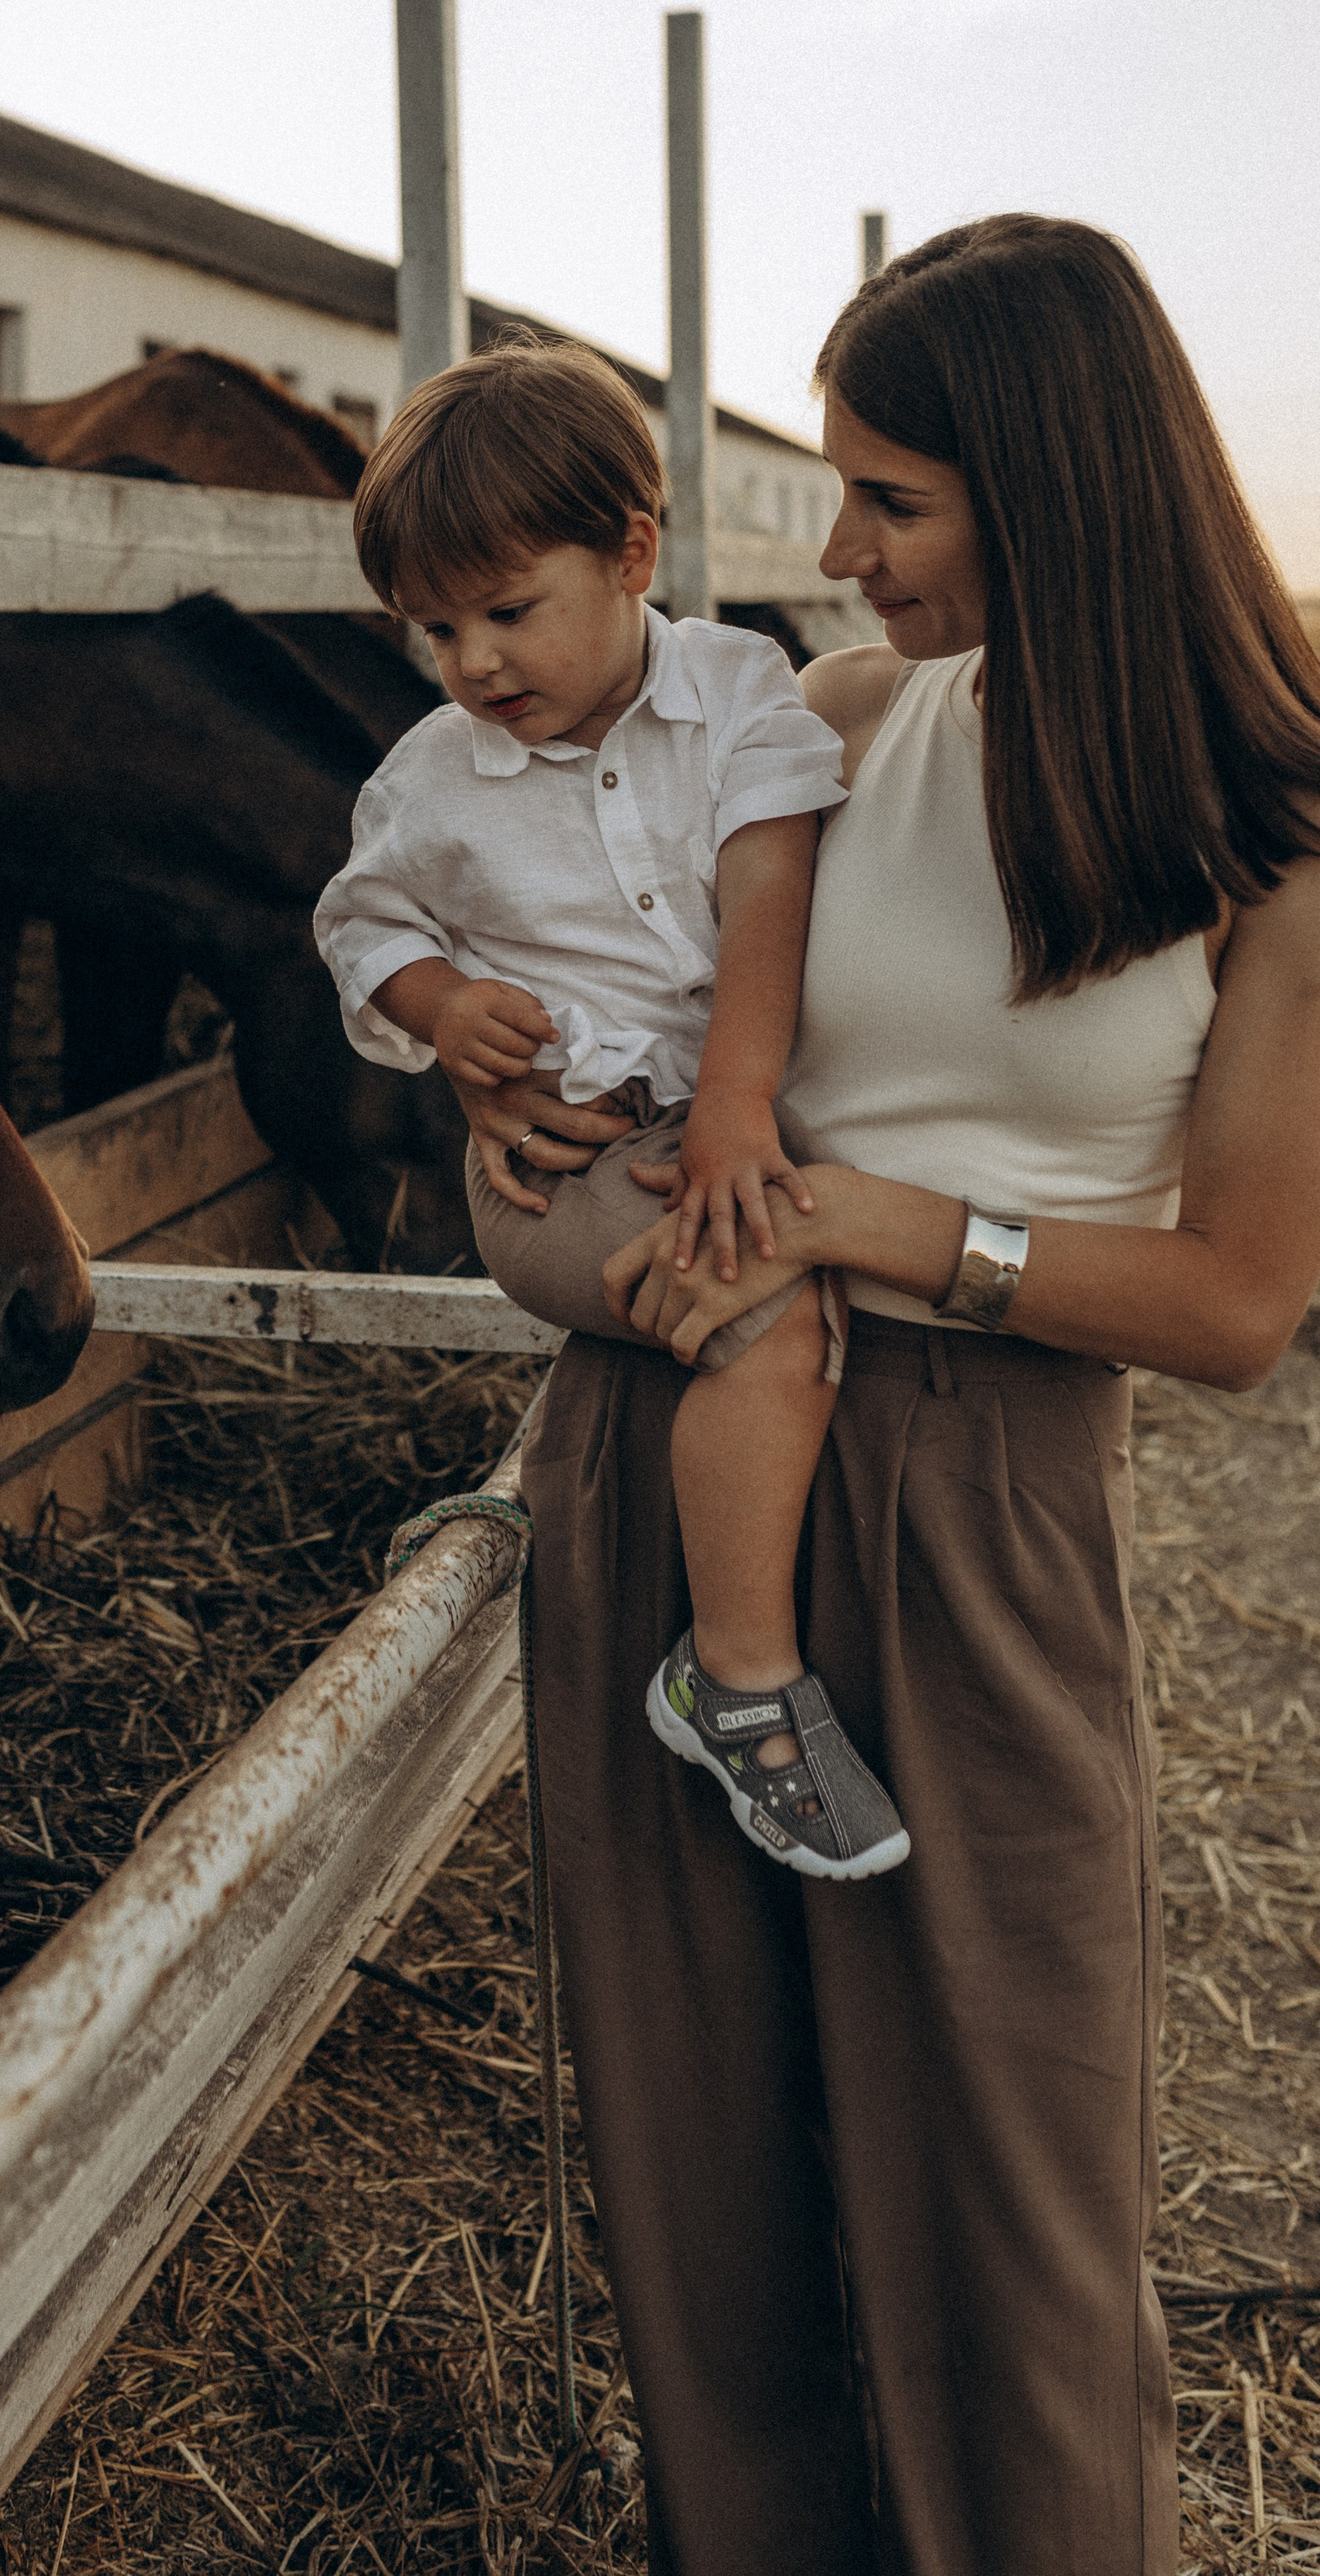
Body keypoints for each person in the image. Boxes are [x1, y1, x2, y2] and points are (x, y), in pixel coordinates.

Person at [473, 215, 1320, 2576]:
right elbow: (604, 995)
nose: (837, 551)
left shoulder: (1282, 837)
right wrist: (519, 1104)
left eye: (893, 501)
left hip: (985, 1494)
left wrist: (899, 1232)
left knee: (1013, 2184)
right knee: (702, 2152)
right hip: (684, 1440)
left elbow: (1245, 1303)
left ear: (1059, 486)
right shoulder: (824, 728)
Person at [313, 337, 908, 1880]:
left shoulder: (736, 692)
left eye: (509, 611)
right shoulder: (432, 779)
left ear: (632, 552)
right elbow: (358, 927)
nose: (474, 664)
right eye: (435, 629)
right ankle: (743, 1680)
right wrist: (442, 1016)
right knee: (766, 1311)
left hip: (718, 1113)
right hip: (557, 1161)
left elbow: (768, 896)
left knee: (800, 1275)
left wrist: (733, 1109)